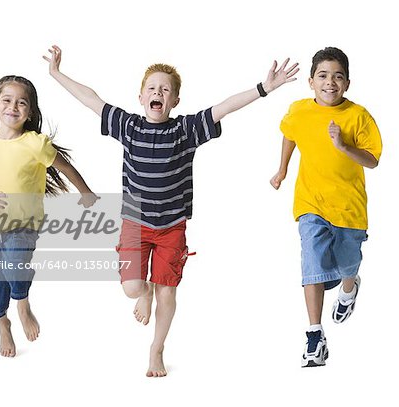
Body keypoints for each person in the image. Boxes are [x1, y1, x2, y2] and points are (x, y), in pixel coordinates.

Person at [43, 45, 299, 377]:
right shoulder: (129, 126)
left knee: (169, 290)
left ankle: (157, 348)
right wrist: (57, 73)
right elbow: (92, 100)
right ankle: (144, 292)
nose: (158, 92)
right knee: (132, 287)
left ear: (174, 101)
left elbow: (223, 108)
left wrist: (264, 88)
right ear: (140, 97)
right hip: (134, 223)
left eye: (165, 90)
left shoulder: (185, 130)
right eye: (152, 88)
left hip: (171, 228)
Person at [0, 75, 99, 357]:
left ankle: (23, 304)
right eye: (6, 100)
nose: (13, 107)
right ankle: (2, 321)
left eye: (21, 102)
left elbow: (66, 168)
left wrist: (85, 192)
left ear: (30, 112)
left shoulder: (35, 143)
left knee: (16, 265)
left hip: (24, 224)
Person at [270, 47, 382, 367]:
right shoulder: (299, 111)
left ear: (347, 83)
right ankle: (315, 336)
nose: (330, 82)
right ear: (310, 82)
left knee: (348, 264)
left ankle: (349, 289)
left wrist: (344, 146)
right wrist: (282, 170)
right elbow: (290, 135)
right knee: (312, 260)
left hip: (349, 208)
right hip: (310, 203)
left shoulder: (358, 116)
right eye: (322, 76)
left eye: (337, 77)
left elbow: (372, 161)